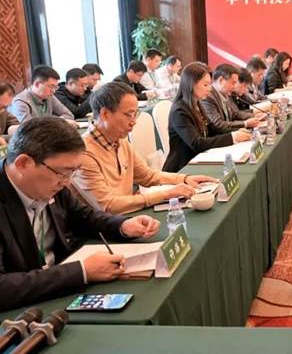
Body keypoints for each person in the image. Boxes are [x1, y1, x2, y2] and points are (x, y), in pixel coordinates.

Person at [0, 116, 160, 311]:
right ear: (23, 163)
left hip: (59, 289)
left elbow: (82, 216)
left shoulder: (52, 181)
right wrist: (81, 271)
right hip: (23, 311)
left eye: (73, 172)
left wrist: (122, 225)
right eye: (63, 173)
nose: (68, 182)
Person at [72, 82, 217, 214]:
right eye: (129, 115)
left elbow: (147, 176)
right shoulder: (83, 154)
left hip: (127, 216)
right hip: (104, 227)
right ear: (105, 114)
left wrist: (184, 179)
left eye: (135, 114)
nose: (133, 122)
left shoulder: (120, 140)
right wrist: (165, 194)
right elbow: (108, 206)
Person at [163, 62, 237, 172]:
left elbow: (213, 129)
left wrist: (239, 132)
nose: (209, 89)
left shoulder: (197, 103)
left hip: (199, 160)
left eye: (210, 84)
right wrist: (232, 137)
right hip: (182, 168)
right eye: (205, 85)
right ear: (191, 84)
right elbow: (197, 143)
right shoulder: (179, 111)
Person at [200, 64, 260, 136]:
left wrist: (253, 116)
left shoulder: (225, 93)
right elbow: (218, 125)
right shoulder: (208, 97)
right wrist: (245, 123)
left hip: (230, 133)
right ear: (221, 80)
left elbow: (235, 114)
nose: (234, 87)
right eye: (233, 83)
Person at [10, 65, 76, 124]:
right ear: (37, 84)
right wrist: (55, 121)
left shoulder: (49, 97)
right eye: (51, 86)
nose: (53, 91)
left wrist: (53, 121)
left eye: (55, 87)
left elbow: (69, 115)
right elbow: (29, 128)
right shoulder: (20, 102)